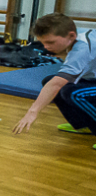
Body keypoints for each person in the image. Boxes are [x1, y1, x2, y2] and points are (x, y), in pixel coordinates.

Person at [12, 14, 95, 143]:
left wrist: (32, 112)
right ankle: (84, 124)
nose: (46, 47)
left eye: (50, 42)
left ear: (71, 36)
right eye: (43, 43)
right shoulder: (75, 36)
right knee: (50, 82)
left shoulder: (82, 49)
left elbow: (56, 84)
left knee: (74, 93)